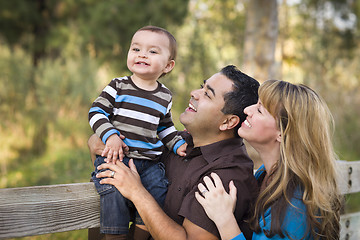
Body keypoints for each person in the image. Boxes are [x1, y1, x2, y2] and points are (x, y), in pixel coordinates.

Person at [90, 65, 260, 239]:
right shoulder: (178, 143)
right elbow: (109, 166)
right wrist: (101, 140)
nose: (194, 93)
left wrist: (137, 193)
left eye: (207, 94)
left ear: (228, 122)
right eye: (202, 86)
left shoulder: (228, 175)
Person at [195, 80, 342, 240]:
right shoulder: (265, 175)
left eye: (259, 110)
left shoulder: (295, 205)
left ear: (282, 133)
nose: (247, 110)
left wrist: (224, 219)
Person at [88, 25, 187, 240]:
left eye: (153, 51)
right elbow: (96, 112)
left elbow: (164, 127)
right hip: (117, 158)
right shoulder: (118, 86)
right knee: (112, 194)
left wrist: (177, 144)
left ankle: (140, 235)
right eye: (136, 49)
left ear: (168, 66)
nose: (142, 54)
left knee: (158, 190)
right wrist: (110, 136)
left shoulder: (165, 96)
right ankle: (115, 236)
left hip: (149, 163)